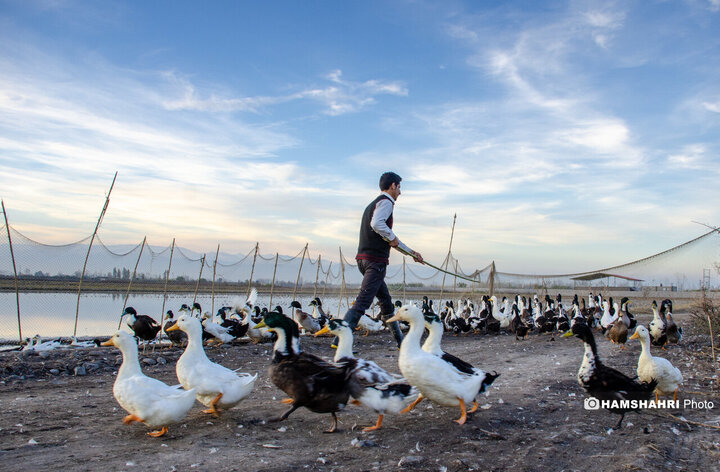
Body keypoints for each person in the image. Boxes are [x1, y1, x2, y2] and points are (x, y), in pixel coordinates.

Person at [334, 171, 423, 348]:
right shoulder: (386, 203)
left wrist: (411, 253)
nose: (400, 192)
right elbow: (377, 225)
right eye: (399, 187)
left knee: (386, 301)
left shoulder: (373, 204)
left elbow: (388, 237)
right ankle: (339, 340)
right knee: (363, 301)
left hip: (364, 260)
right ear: (392, 186)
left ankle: (401, 342)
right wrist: (392, 238)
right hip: (375, 262)